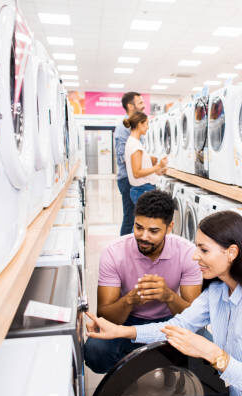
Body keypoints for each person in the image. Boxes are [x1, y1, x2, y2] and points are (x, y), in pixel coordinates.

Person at [86, 210, 242, 396]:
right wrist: (121, 331)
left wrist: (211, 352)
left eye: (204, 250)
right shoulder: (217, 291)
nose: (195, 256)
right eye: (197, 248)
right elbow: (179, 325)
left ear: (232, 253)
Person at [83, 190, 203, 374]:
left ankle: (168, 371)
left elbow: (193, 316)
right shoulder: (114, 252)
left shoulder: (187, 253)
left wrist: (168, 296)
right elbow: (105, 315)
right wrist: (130, 299)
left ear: (169, 227)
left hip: (171, 320)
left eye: (153, 231)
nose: (144, 236)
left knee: (203, 347)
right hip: (127, 320)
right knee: (95, 351)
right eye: (139, 227)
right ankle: (127, 374)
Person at [115, 92, 145, 235]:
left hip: (133, 178)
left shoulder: (134, 126)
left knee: (134, 218)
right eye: (140, 103)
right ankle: (124, 252)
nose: (144, 106)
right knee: (129, 218)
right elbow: (123, 156)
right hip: (127, 179)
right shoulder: (123, 127)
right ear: (130, 106)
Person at [123, 111, 167, 204]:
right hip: (143, 191)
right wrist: (158, 166)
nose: (148, 127)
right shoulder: (135, 145)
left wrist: (156, 171)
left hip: (141, 190)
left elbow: (139, 169)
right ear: (140, 124)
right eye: (146, 124)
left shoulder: (133, 142)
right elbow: (137, 173)